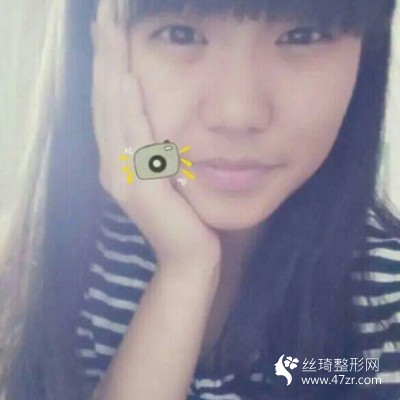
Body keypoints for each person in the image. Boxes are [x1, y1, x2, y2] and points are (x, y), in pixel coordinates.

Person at [1, 0, 400, 399]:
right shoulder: (30, 281)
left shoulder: (387, 304)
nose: (238, 114)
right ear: (97, 49)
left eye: (303, 35)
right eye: (181, 34)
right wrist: (184, 270)